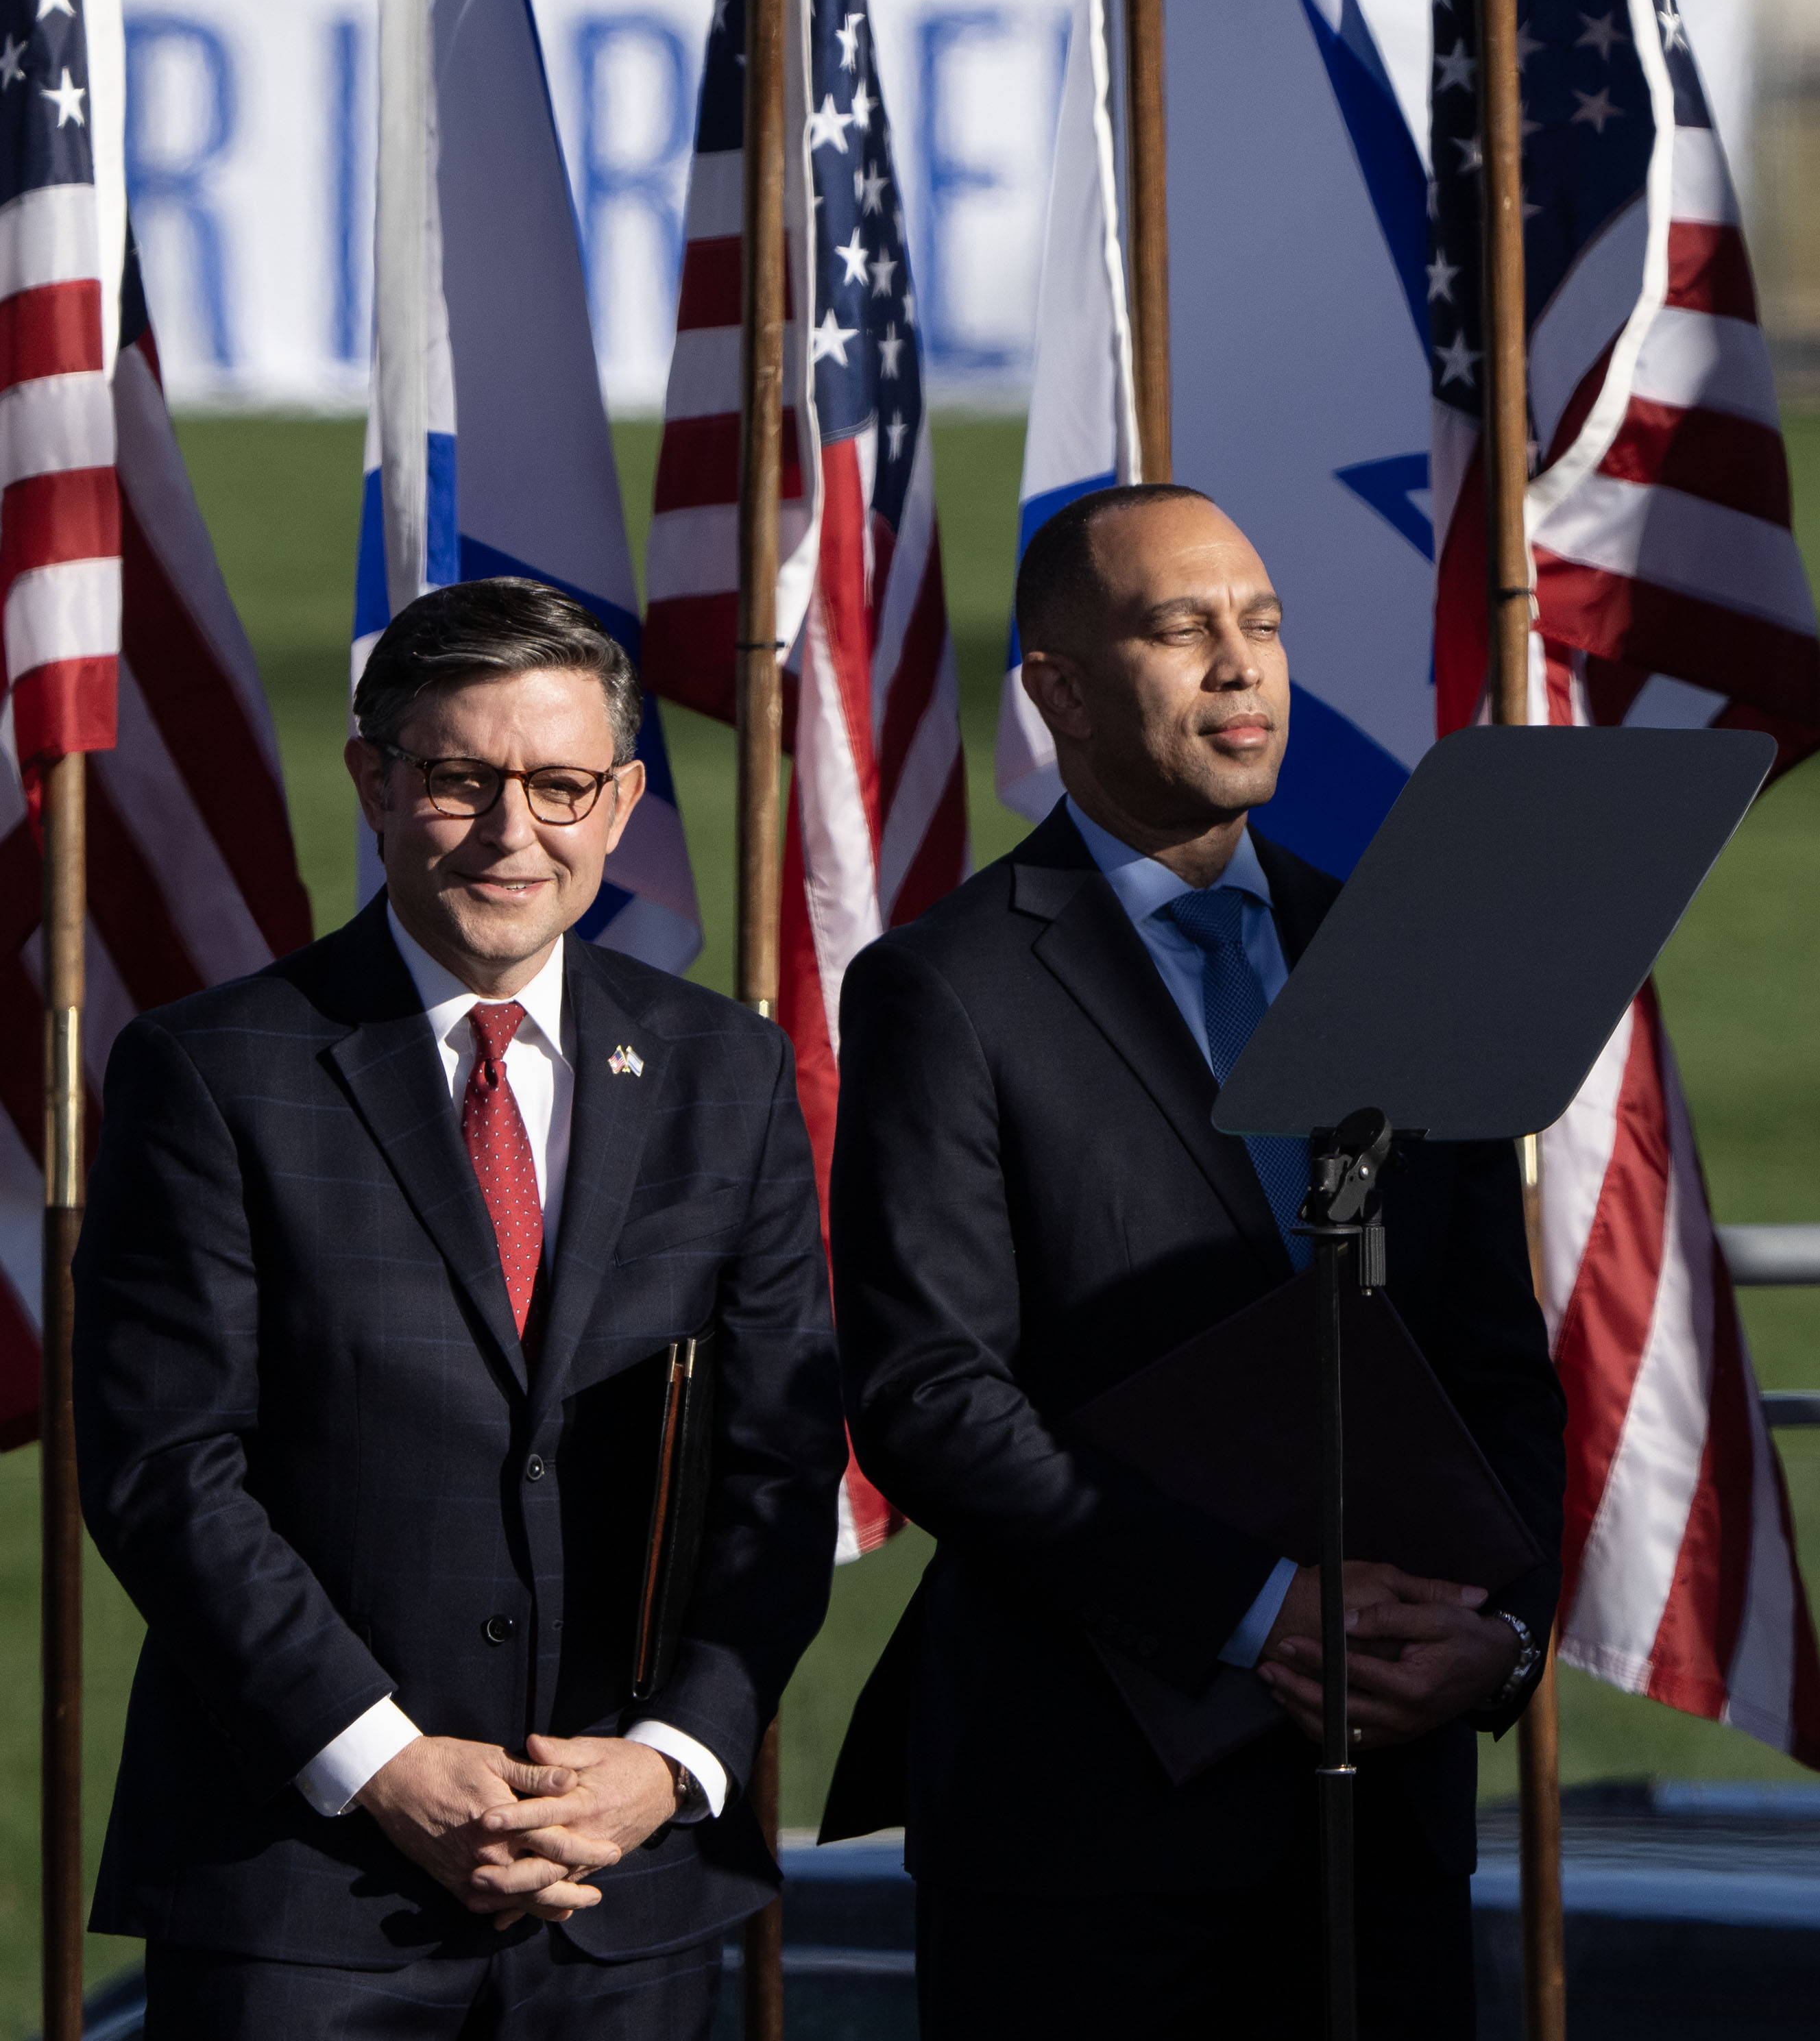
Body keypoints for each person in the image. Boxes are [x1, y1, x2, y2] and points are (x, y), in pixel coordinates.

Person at [825, 484, 1566, 2039]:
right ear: (1061, 691)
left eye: (1264, 625)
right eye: (1183, 629)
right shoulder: (946, 988)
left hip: (1386, 1828)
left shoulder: (1397, 952)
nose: (1244, 667)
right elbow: (929, 1390)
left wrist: (1496, 1634)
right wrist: (1254, 1606)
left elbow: (1493, 1354)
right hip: (1088, 1822)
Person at [76, 577, 844, 2037]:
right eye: (458, 778)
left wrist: (672, 1757)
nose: (512, 833)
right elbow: (167, 1468)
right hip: (303, 1895)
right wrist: (384, 1761)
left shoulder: (724, 1070)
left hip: (630, 1889)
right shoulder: (212, 1070)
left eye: (558, 784)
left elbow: (778, 1459)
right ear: (373, 779)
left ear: (619, 802)